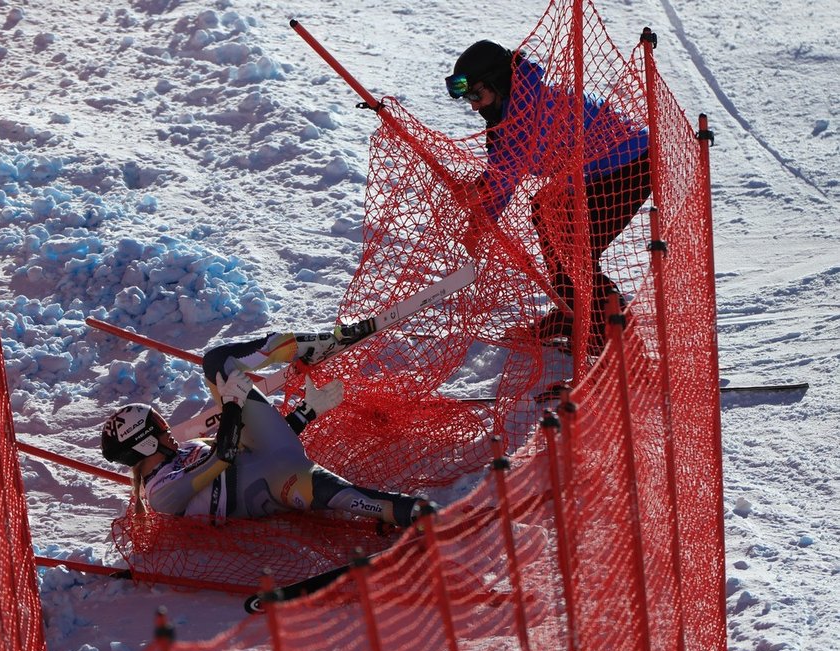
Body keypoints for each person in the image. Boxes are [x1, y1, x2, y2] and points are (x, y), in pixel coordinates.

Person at [100, 328, 427, 527]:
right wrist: (230, 405)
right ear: (143, 444)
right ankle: (428, 517)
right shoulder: (160, 495)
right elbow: (223, 457)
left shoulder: (185, 450)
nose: (166, 428)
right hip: (283, 485)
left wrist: (307, 412)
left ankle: (291, 347)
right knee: (356, 500)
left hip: (277, 457)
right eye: (156, 426)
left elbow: (254, 446)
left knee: (216, 363)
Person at [446, 39, 651, 349]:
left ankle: (617, 344)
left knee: (573, 252)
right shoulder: (513, 105)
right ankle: (576, 314)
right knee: (546, 213)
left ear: (498, 84)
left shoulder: (524, 114)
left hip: (631, 164)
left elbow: (503, 178)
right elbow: (502, 171)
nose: (474, 106)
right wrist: (479, 206)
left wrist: (476, 218)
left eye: (477, 94)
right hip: (594, 171)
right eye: (469, 98)